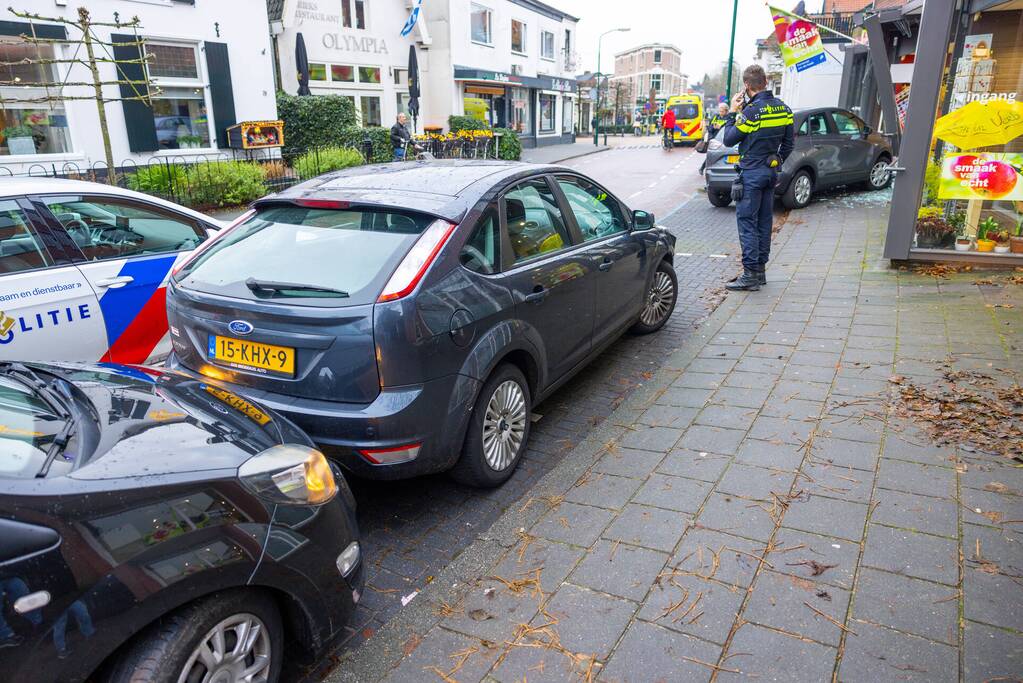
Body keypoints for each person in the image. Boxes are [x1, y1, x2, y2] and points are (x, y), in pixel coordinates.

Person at [721, 65, 794, 291]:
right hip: (770, 173)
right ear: (765, 82)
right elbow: (789, 144)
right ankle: (760, 271)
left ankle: (750, 275)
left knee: (747, 223)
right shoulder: (784, 109)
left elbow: (729, 139)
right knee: (764, 222)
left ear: (747, 86)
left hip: (751, 174)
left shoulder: (751, 113)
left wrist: (733, 112)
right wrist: (775, 159)